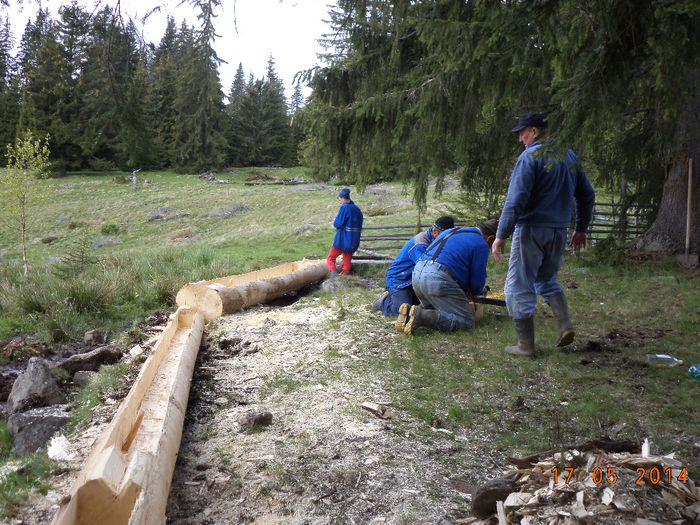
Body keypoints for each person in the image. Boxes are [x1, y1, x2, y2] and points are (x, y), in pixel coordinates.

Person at [492, 112, 595, 356]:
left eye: (522, 133)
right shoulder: (568, 155)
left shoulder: (530, 157)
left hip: (531, 230)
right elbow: (587, 195)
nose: (520, 139)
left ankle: (525, 345)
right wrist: (580, 228)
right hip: (559, 231)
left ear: (534, 132)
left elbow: (516, 200)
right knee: (547, 280)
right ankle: (565, 326)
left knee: (519, 284)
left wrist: (501, 234)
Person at [399, 219, 498, 335]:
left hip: (417, 273)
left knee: (437, 309)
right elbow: (477, 279)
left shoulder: (450, 231)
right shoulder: (481, 244)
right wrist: (474, 292)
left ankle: (411, 314)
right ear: (491, 238)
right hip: (436, 277)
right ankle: (421, 316)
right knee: (466, 321)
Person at [372, 216, 455, 316]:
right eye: (444, 236)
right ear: (435, 232)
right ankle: (383, 302)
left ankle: (402, 298)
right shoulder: (420, 244)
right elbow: (426, 270)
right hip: (399, 280)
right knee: (401, 312)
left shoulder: (438, 241)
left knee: (414, 306)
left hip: (414, 280)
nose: (446, 240)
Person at [327, 187, 364, 277]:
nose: (339, 200)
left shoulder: (345, 207)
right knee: (347, 259)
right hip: (353, 241)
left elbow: (338, 223)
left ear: (343, 197)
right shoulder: (357, 209)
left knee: (330, 258)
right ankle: (345, 277)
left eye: (339, 198)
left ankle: (333, 277)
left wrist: (334, 220)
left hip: (342, 240)